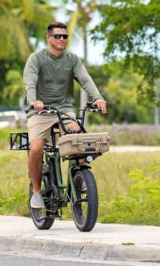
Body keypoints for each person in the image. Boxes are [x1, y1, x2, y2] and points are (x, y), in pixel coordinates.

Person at [23, 21, 107, 209]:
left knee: (81, 139)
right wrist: (33, 100)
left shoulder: (72, 59)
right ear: (48, 38)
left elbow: (85, 79)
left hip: (64, 108)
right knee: (36, 149)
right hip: (39, 111)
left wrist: (98, 98)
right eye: (57, 36)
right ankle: (36, 192)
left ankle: (80, 173)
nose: (61, 39)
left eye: (65, 36)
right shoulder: (37, 58)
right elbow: (30, 81)